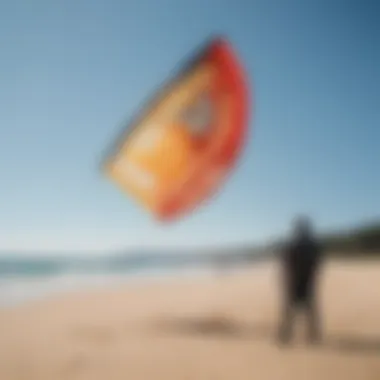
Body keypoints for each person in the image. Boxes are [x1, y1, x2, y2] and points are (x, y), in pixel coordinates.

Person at [278, 216, 324, 344]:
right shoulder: (314, 245)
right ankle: (313, 336)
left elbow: (286, 265)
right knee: (310, 311)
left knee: (289, 311)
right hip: (308, 281)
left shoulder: (291, 245)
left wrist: (285, 281)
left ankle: (286, 335)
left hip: (294, 282)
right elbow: (317, 265)